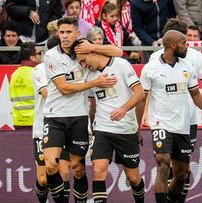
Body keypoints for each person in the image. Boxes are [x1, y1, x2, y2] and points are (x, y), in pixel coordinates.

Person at [42, 17, 120, 202]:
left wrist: (94, 48)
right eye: (61, 33)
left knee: (77, 167)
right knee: (51, 165)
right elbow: (64, 88)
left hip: (78, 117)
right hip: (55, 116)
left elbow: (118, 51)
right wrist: (95, 82)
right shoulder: (51, 55)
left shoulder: (84, 48)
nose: (64, 36)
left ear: (77, 33)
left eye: (68, 32)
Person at [140, 30, 202, 203]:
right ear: (172, 45)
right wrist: (137, 126)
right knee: (163, 163)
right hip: (160, 123)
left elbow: (195, 95)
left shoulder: (187, 66)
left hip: (183, 125)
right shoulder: (150, 68)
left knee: (181, 175)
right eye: (183, 43)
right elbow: (142, 99)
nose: (186, 46)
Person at [71, 38, 146, 203]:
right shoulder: (89, 76)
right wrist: (90, 127)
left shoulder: (121, 64)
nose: (83, 65)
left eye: (83, 60)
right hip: (102, 129)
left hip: (126, 129)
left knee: (133, 178)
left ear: (92, 51)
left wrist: (124, 109)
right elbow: (92, 105)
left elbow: (140, 93)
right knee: (98, 171)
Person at [32, 36, 71, 203]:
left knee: (64, 173)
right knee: (43, 179)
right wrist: (66, 88)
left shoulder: (70, 67)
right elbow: (48, 94)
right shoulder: (39, 69)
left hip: (64, 126)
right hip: (43, 127)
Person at [9, 42, 42, 129]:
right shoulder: (37, 73)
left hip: (17, 120)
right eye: (40, 53)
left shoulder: (15, 74)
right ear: (32, 58)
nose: (41, 56)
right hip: (35, 120)